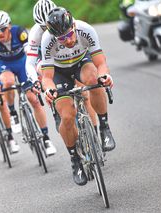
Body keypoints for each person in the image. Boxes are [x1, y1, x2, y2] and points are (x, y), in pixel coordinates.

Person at [41, 7, 116, 185]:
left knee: (93, 78)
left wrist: (104, 75)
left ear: (73, 26)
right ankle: (75, 159)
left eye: (68, 35)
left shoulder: (86, 30)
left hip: (81, 62)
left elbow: (100, 62)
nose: (67, 41)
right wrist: (49, 89)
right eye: (61, 39)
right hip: (59, 72)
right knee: (67, 116)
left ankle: (104, 128)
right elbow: (47, 77)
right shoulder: (47, 41)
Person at [0, 10, 56, 156]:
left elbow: (30, 56)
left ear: (9, 26)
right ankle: (13, 113)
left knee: (33, 100)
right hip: (5, 66)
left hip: (22, 63)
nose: (0, 33)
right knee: (7, 81)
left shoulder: (20, 32)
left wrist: (35, 76)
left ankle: (46, 138)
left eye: (3, 29)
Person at [26, 0, 99, 133]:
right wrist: (35, 81)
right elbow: (30, 62)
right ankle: (55, 106)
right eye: (44, 27)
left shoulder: (68, 23)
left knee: (85, 93)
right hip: (47, 58)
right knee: (42, 71)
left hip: (67, 55)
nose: (48, 29)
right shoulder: (35, 33)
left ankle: (94, 131)